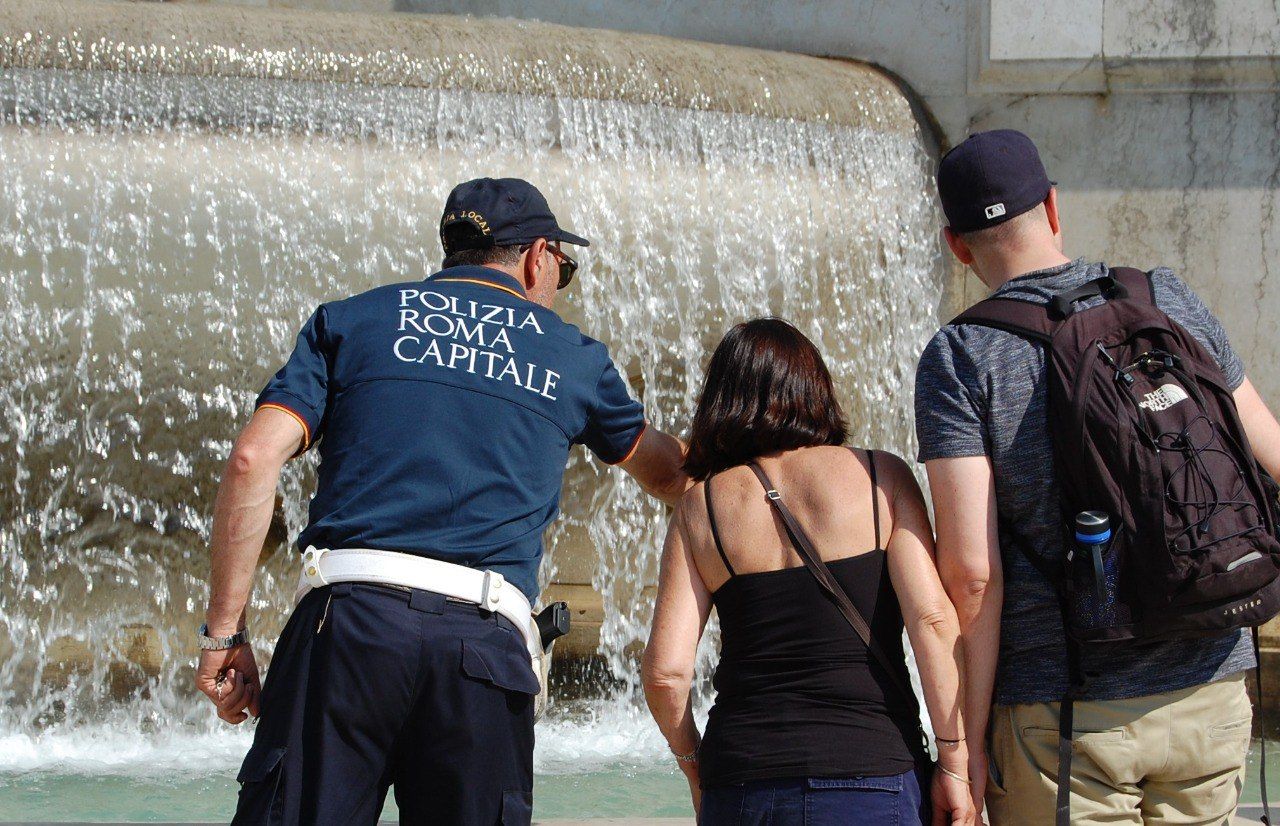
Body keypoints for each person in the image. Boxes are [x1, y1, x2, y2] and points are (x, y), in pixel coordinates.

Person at [195, 177, 690, 826]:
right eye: (563, 272)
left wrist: (225, 633)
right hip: (483, 650)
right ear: (539, 256)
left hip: (345, 630)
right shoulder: (572, 358)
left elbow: (252, 459)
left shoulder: (350, 321)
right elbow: (669, 473)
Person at [916, 129, 1280, 824]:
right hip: (1213, 690)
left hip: (1066, 716)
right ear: (1054, 207)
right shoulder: (1166, 297)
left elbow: (971, 575)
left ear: (956, 245)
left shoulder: (963, 355)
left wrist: (960, 749)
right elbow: (1271, 456)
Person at [642, 318, 976, 826]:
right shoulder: (879, 477)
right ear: (814, 388)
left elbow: (666, 674)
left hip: (741, 782)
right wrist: (955, 762)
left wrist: (694, 766)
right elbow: (932, 622)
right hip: (872, 773)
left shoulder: (701, 507)